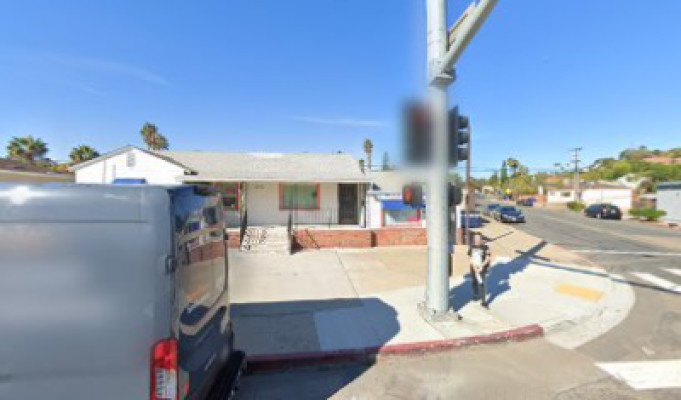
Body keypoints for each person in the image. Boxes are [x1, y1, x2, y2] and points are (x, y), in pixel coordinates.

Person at [468, 232, 491, 307]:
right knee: (474, 281)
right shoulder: (471, 247)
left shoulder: (486, 247)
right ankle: (476, 294)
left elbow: (488, 258)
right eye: (475, 238)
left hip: (482, 268)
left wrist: (481, 266)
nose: (476, 240)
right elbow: (470, 258)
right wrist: (475, 268)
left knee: (482, 283)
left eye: (478, 238)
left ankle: (483, 301)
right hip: (474, 268)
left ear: (481, 239)